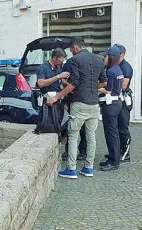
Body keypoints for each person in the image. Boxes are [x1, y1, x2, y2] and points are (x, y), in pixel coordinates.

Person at [47, 37, 107, 179]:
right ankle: (88, 168)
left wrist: (57, 97)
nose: (71, 52)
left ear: (75, 47)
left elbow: (73, 83)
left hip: (79, 104)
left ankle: (71, 169)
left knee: (73, 136)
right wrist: (91, 86)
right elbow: (104, 83)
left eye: (70, 49)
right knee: (91, 136)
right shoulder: (99, 59)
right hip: (94, 104)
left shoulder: (75, 60)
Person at [98, 46, 124, 171]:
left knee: (111, 133)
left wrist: (95, 88)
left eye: (106, 56)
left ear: (111, 57)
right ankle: (114, 158)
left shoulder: (110, 71)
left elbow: (107, 90)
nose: (104, 58)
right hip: (117, 103)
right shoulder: (118, 70)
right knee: (114, 132)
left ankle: (114, 161)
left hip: (110, 105)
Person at [108, 44, 133, 163]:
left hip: (124, 100)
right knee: (116, 128)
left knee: (123, 127)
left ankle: (126, 153)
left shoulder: (125, 67)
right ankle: (117, 152)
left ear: (122, 54)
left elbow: (123, 85)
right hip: (117, 99)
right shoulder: (116, 65)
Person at [62, 58, 87, 161]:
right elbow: (63, 80)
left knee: (81, 127)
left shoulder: (76, 62)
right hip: (72, 97)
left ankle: (81, 150)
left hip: (80, 98)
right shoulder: (70, 63)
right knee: (73, 125)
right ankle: (77, 151)